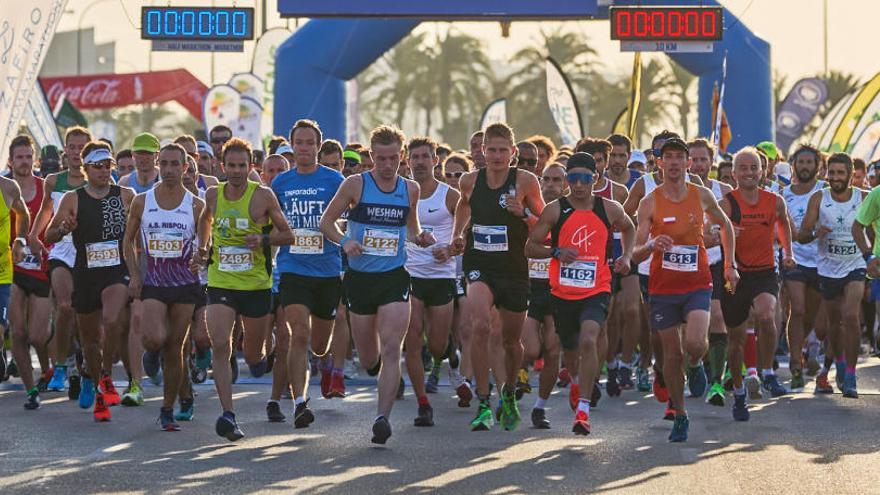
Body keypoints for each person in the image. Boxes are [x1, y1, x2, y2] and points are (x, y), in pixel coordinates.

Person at [320, 125, 435, 444]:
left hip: (394, 276)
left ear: (402, 158)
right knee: (369, 357)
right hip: (360, 280)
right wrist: (345, 242)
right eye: (381, 159)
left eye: (394, 159)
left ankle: (382, 418)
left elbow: (411, 229)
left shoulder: (410, 189)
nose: (387, 165)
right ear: (372, 156)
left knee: (391, 349)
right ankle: (371, 369)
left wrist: (422, 239)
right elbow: (326, 222)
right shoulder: (355, 184)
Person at [632, 138, 737, 442]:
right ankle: (679, 413)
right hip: (663, 287)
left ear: (688, 163)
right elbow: (636, 250)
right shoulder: (649, 201)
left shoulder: (701, 195)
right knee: (671, 355)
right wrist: (652, 244)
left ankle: (696, 364)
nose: (675, 162)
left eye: (681, 157)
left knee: (694, 344)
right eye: (669, 157)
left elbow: (727, 226)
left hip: (697, 283)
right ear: (659, 163)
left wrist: (730, 266)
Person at [191, 137, 294, 441]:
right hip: (221, 280)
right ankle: (228, 414)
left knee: (254, 358)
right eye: (231, 166)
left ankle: (268, 345)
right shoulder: (213, 194)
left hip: (256, 285)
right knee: (220, 344)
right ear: (223, 166)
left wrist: (263, 240)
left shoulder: (263, 196)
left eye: (242, 166)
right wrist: (203, 247)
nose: (236, 171)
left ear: (251, 167)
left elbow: (287, 235)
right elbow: (205, 220)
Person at [527, 152, 634, 435]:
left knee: (590, 339)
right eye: (572, 179)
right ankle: (576, 385)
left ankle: (584, 410)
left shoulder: (608, 208)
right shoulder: (554, 210)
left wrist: (627, 256)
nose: (578, 185)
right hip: (562, 293)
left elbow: (629, 227)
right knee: (570, 354)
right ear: (566, 181)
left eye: (584, 179)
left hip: (597, 287)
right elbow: (530, 247)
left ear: (595, 179)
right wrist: (555, 251)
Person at [451, 122, 545, 432]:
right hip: (479, 264)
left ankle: (507, 394)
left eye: (503, 150)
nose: (496, 156)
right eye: (491, 149)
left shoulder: (527, 182)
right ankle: (482, 401)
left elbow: (545, 226)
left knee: (510, 341)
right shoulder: (469, 181)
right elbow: (464, 208)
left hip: (514, 269)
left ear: (513, 153)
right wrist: (458, 236)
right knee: (479, 326)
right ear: (481, 151)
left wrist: (523, 214)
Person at [45, 141, 134, 422]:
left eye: (107, 164)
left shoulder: (126, 195)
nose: (104, 170)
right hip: (85, 272)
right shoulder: (73, 198)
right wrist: (63, 228)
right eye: (97, 165)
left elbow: (138, 235)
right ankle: (95, 381)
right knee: (91, 341)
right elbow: (49, 236)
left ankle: (105, 377)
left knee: (111, 321)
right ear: (85, 168)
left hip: (116, 270)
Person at [123, 143, 204, 430]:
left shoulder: (196, 205)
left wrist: (201, 255)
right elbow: (128, 241)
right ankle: (150, 352)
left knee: (176, 348)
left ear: (185, 167)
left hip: (184, 285)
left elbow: (206, 245)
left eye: (175, 164)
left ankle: (168, 407)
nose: (169, 170)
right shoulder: (142, 201)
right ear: (158, 165)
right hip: (154, 282)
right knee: (155, 339)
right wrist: (135, 274)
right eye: (164, 164)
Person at [272, 120, 345, 428]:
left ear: (318, 146)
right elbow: (272, 224)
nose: (304, 148)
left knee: (318, 344)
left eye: (309, 143)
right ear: (292, 147)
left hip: (327, 270)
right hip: (293, 268)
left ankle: (324, 360)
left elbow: (347, 218)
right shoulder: (280, 183)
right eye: (299, 143)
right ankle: (300, 402)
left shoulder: (335, 180)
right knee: (297, 334)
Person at [718, 148, 794, 420]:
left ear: (762, 171)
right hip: (735, 275)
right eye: (743, 168)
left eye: (754, 168)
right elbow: (710, 232)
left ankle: (768, 372)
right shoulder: (727, 203)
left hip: (764, 272)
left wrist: (788, 253)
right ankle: (739, 392)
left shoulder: (774, 201)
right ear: (734, 173)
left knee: (766, 314)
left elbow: (783, 224)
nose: (749, 173)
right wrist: (725, 233)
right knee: (736, 339)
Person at [403, 136, 461, 427]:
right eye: (414, 158)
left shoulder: (449, 195)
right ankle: (422, 402)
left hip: (441, 274)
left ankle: (450, 356)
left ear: (435, 160)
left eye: (425, 157)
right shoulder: (401, 191)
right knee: (412, 337)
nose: (420, 163)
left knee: (437, 344)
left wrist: (450, 248)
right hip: (409, 272)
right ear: (407, 160)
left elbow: (466, 231)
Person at [29, 126, 91, 398]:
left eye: (82, 147)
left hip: (90, 254)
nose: (77, 153)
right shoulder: (54, 181)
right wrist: (32, 236)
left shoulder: (101, 181)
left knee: (83, 317)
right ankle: (62, 366)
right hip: (61, 251)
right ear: (65, 150)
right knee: (64, 307)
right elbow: (45, 212)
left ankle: (83, 364)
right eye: (73, 147)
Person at [798, 152, 865, 398]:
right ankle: (838, 361)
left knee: (850, 316)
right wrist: (816, 232)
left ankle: (850, 373)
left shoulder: (863, 198)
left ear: (850, 175)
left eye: (840, 173)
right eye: (832, 173)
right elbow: (801, 235)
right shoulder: (819, 198)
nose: (835, 178)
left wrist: (871, 254)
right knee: (833, 325)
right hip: (827, 269)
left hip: (855, 266)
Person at [687, 138, 733, 406]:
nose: (698, 164)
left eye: (703, 159)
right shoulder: (673, 190)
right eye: (692, 159)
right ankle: (693, 366)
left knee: (717, 318)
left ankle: (716, 380)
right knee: (688, 330)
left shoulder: (724, 190)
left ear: (711, 162)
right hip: (683, 263)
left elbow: (733, 225)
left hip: (714, 262)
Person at [521, 162, 564, 428]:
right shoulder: (525, 212)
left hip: (558, 290)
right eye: (545, 179)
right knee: (531, 348)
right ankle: (520, 375)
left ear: (565, 184)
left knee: (552, 350)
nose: (550, 184)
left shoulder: (571, 213)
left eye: (556, 180)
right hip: (528, 288)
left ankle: (540, 407)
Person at [781, 145, 826, 392]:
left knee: (813, 318)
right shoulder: (783, 194)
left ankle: (805, 347)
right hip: (794, 258)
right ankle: (795, 362)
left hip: (822, 261)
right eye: (801, 162)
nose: (805, 166)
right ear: (794, 166)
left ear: (818, 166)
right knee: (796, 309)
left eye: (810, 162)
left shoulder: (826, 192)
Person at [3, 136, 37, 408]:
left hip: (4, 273)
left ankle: (30, 389)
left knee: (12, 330)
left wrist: (20, 240)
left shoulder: (7, 187)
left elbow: (24, 215)